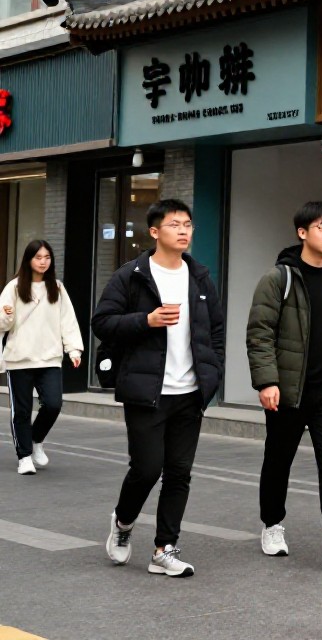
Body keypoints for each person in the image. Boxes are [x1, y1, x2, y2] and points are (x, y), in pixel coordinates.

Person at [92, 199, 225, 578]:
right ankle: (123, 522)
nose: (184, 231)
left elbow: (215, 330)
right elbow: (102, 322)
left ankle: (164, 549)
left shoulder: (199, 277)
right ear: (155, 232)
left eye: (188, 224)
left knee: (179, 472)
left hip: (189, 391)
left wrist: (212, 372)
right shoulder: (131, 275)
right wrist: (146, 320)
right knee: (147, 468)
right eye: (174, 224)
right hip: (146, 390)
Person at [247, 202, 322, 568]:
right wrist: (267, 381)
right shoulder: (279, 278)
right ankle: (271, 524)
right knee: (278, 460)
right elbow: (259, 333)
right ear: (303, 232)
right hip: (289, 389)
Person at [1, 240, 83, 475]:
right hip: (19, 359)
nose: (43, 261)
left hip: (49, 358)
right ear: (28, 260)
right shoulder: (14, 287)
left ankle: (36, 440)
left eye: (47, 257)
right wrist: (6, 315)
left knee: (54, 404)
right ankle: (24, 456)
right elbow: (2, 324)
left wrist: (73, 350)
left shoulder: (56, 287)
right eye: (38, 257)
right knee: (22, 411)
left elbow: (68, 320)